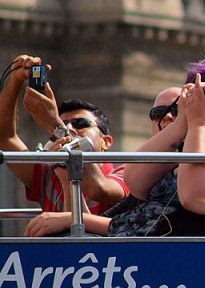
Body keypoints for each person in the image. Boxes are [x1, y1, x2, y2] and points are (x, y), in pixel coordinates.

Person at [26, 56, 205, 237]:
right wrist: (183, 121)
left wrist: (197, 124)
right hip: (140, 254)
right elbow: (136, 183)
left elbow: (197, 197)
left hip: (192, 265)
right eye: (204, 95)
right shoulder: (184, 152)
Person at [0, 54, 128, 214]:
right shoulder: (49, 175)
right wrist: (15, 80)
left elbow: (98, 189)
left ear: (106, 141)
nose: (70, 127)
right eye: (64, 123)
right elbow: (5, 137)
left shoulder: (124, 174)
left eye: (80, 123)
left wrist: (56, 127)